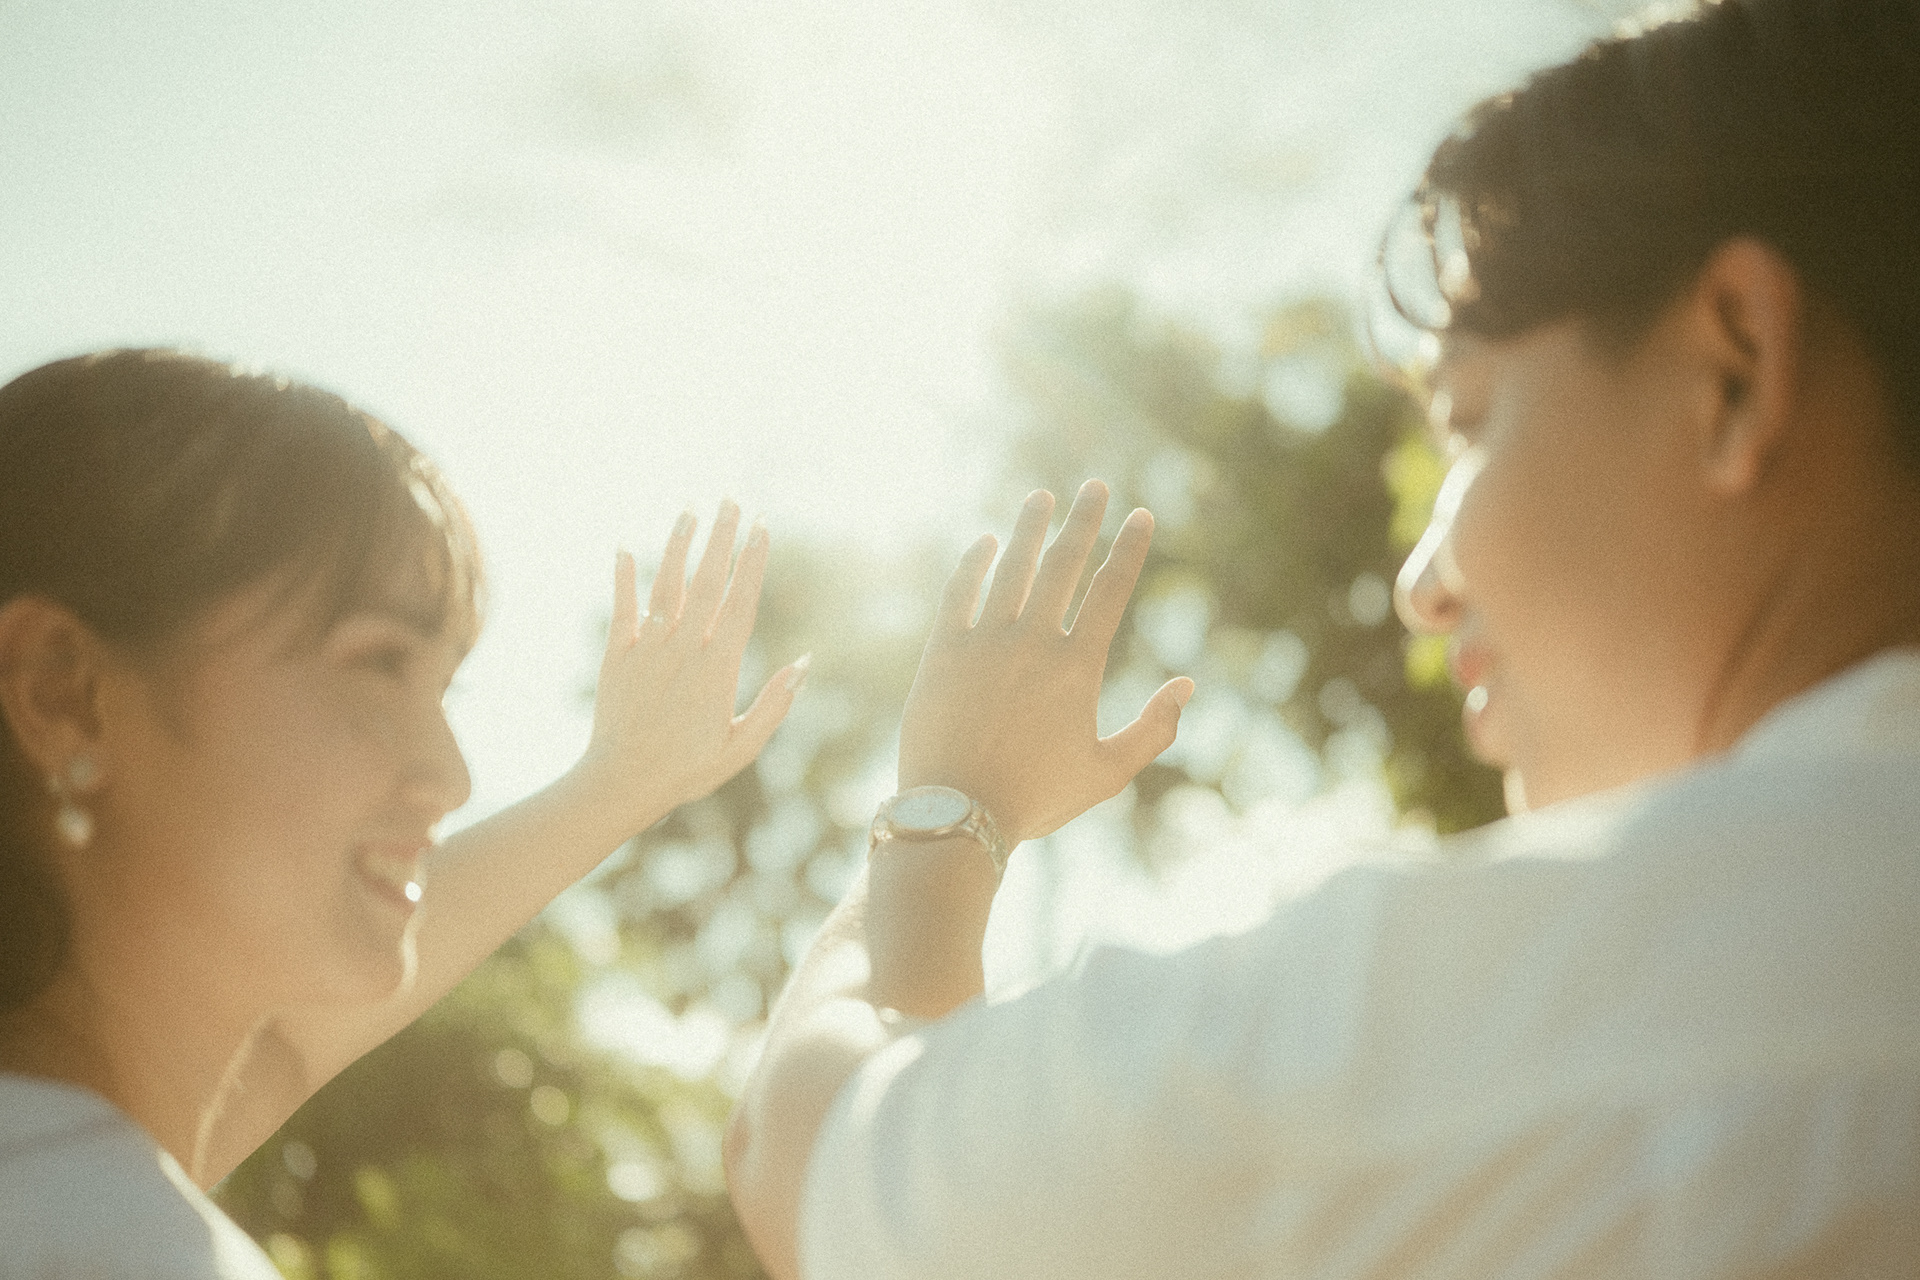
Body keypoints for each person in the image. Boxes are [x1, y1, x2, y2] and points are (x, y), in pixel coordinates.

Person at [724, 0, 1920, 1275]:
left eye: (1472, 419)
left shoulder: (1597, 1002)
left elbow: (807, 1153)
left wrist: (949, 807)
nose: (1421, 585)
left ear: (1735, 367)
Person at [0, 349, 805, 1277]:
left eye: (444, 689)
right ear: (64, 693)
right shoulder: (106, 1243)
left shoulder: (61, 1171)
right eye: (380, 662)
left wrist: (619, 783)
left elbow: (282, 1054)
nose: (451, 777)